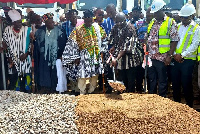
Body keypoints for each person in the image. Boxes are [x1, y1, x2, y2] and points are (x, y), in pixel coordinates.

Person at [62, 10, 106, 95]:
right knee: (82, 75)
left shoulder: (97, 28)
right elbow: (72, 43)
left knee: (94, 74)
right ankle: (82, 92)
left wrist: (102, 50)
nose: (88, 21)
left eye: (90, 19)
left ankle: (91, 91)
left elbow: (104, 38)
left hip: (94, 54)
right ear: (84, 19)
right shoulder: (78, 29)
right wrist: (76, 57)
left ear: (92, 19)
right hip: (83, 55)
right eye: (86, 19)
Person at [147, 0, 179, 97]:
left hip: (162, 58)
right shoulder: (153, 22)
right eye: (154, 13)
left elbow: (174, 40)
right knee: (151, 80)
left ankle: (162, 102)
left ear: (162, 10)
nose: (155, 15)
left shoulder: (170, 22)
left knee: (162, 82)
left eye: (156, 12)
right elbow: (148, 37)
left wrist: (169, 56)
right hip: (151, 57)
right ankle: (151, 100)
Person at [171, 3, 200, 107]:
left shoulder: (196, 28)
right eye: (182, 17)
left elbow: (194, 45)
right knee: (175, 83)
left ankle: (189, 106)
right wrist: (174, 54)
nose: (183, 19)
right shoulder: (178, 26)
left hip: (187, 60)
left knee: (186, 83)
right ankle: (176, 105)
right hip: (176, 58)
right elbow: (173, 41)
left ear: (191, 16)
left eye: (185, 18)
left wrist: (181, 55)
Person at [34, 13, 67, 94]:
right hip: (43, 57)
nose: (52, 24)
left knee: (54, 72)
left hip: (55, 56)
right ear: (45, 23)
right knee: (43, 71)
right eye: (49, 23)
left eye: (52, 22)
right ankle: (44, 87)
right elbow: (36, 44)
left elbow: (63, 43)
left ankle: (54, 88)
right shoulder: (40, 31)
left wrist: (61, 55)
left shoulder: (60, 30)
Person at [109, 12, 142, 93]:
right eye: (117, 22)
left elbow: (127, 48)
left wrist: (116, 59)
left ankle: (130, 97)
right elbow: (111, 40)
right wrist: (113, 47)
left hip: (131, 60)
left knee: (130, 80)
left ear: (125, 20)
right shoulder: (115, 27)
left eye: (121, 22)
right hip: (120, 60)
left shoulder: (130, 29)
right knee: (122, 79)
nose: (119, 24)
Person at [3, 9, 33, 92]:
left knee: (27, 80)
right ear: (13, 23)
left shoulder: (27, 29)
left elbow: (31, 43)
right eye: (18, 22)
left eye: (20, 22)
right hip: (13, 60)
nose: (20, 24)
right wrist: (9, 57)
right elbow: (6, 45)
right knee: (16, 83)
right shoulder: (7, 30)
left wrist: (27, 53)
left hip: (25, 59)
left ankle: (28, 95)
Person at [62, 9, 80, 95]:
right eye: (72, 17)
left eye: (75, 17)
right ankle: (73, 88)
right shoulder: (64, 26)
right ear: (68, 18)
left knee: (78, 70)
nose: (74, 19)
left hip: (78, 51)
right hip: (68, 52)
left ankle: (78, 89)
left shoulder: (81, 26)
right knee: (70, 70)